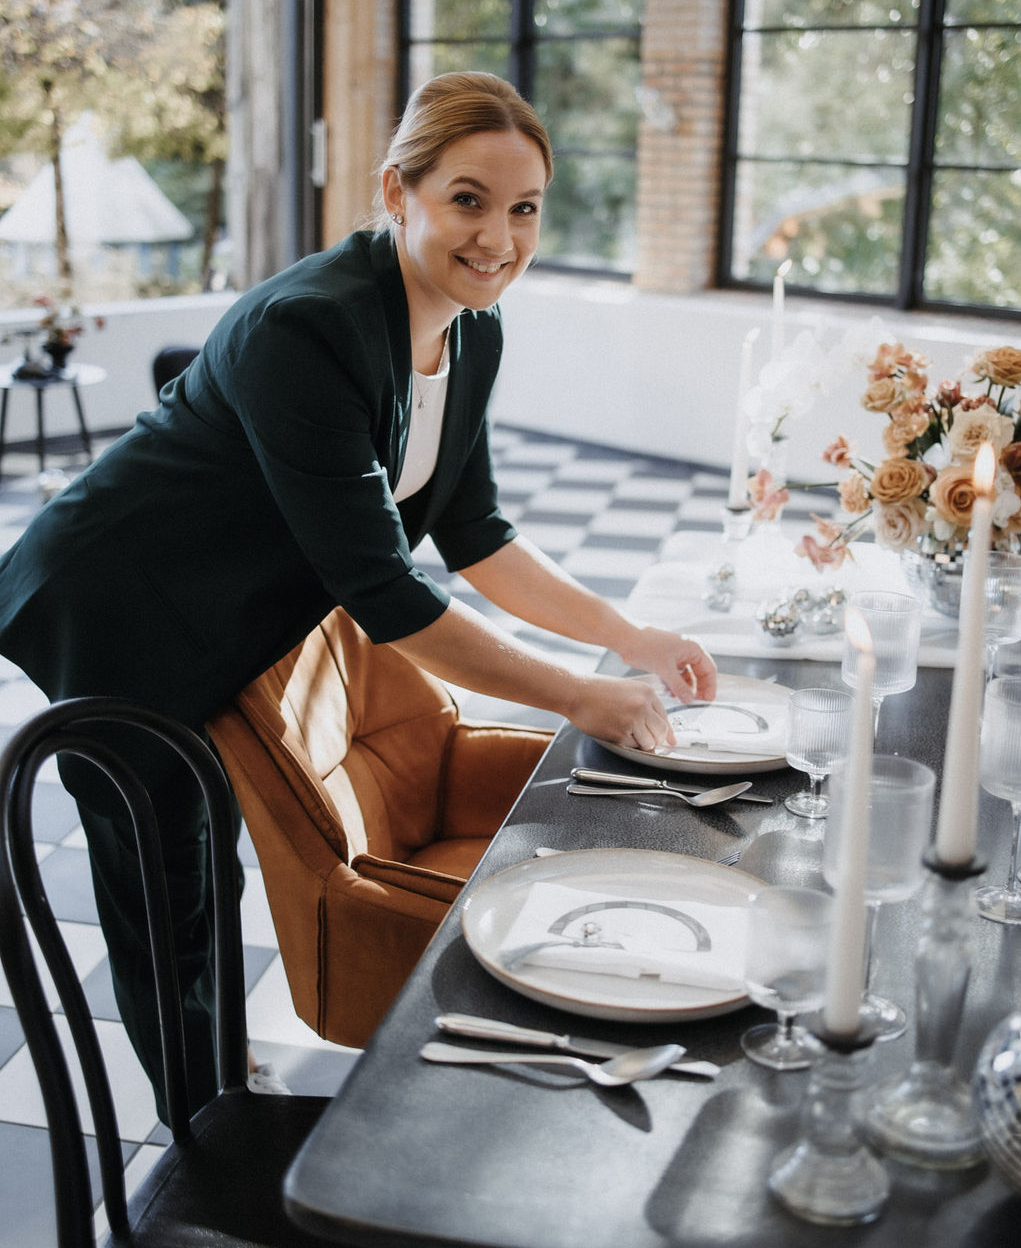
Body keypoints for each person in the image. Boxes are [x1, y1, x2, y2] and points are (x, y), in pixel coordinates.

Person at [0, 71, 717, 1116]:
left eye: (524, 209)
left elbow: (475, 535)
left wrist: (628, 635)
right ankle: (200, 1140)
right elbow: (385, 592)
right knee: (168, 873)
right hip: (118, 602)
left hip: (234, 600)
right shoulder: (311, 328)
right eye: (467, 199)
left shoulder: (472, 330)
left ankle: (215, 1083)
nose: (499, 238)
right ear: (397, 192)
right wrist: (576, 693)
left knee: (204, 853)